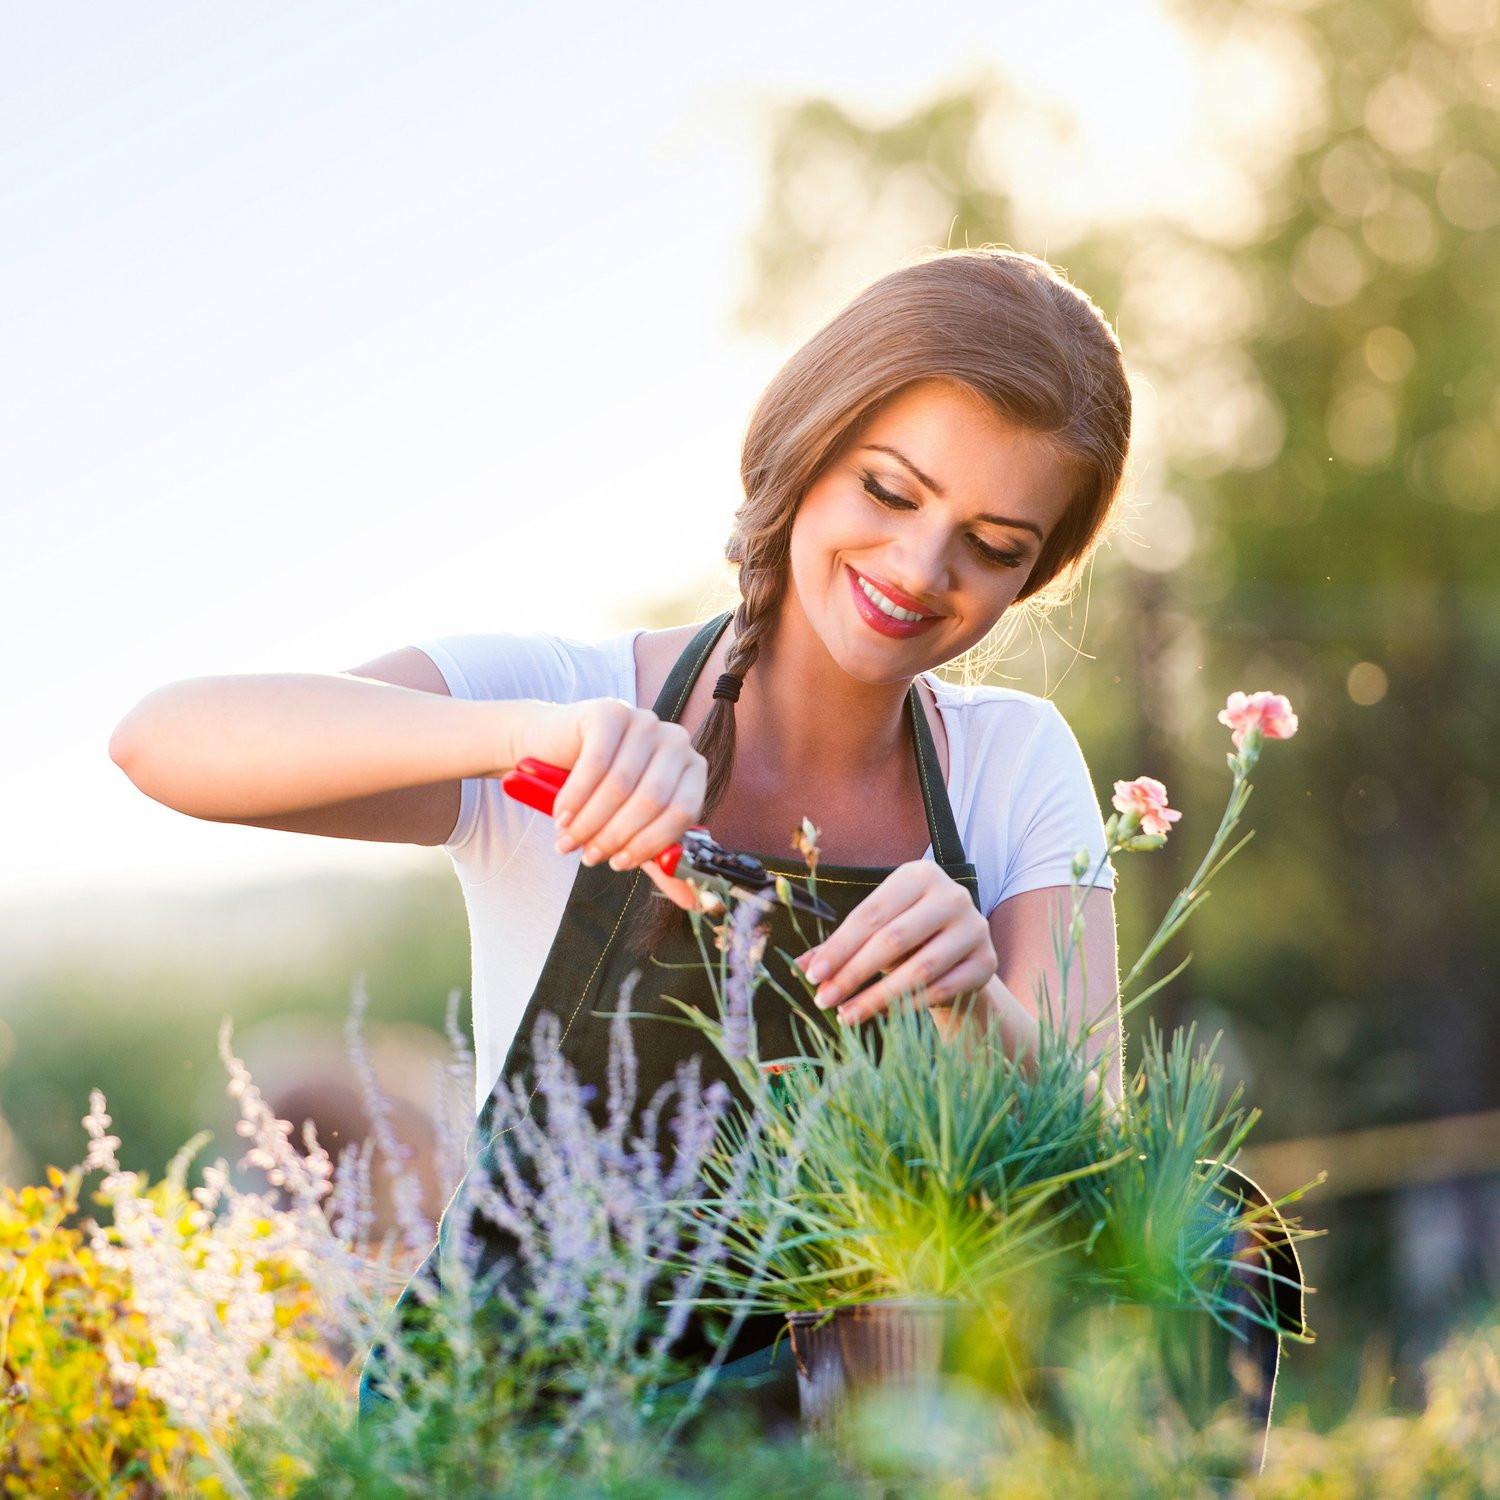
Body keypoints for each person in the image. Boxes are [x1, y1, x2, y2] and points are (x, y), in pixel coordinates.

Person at [108, 246, 1133, 1424]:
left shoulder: (1012, 762)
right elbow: (162, 742)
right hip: (506, 1441)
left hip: (857, 1450)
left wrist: (972, 1007)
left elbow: (1095, 1184)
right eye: (890, 491)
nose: (919, 567)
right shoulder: (565, 692)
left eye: (995, 546)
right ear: (809, 446)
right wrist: (525, 741)